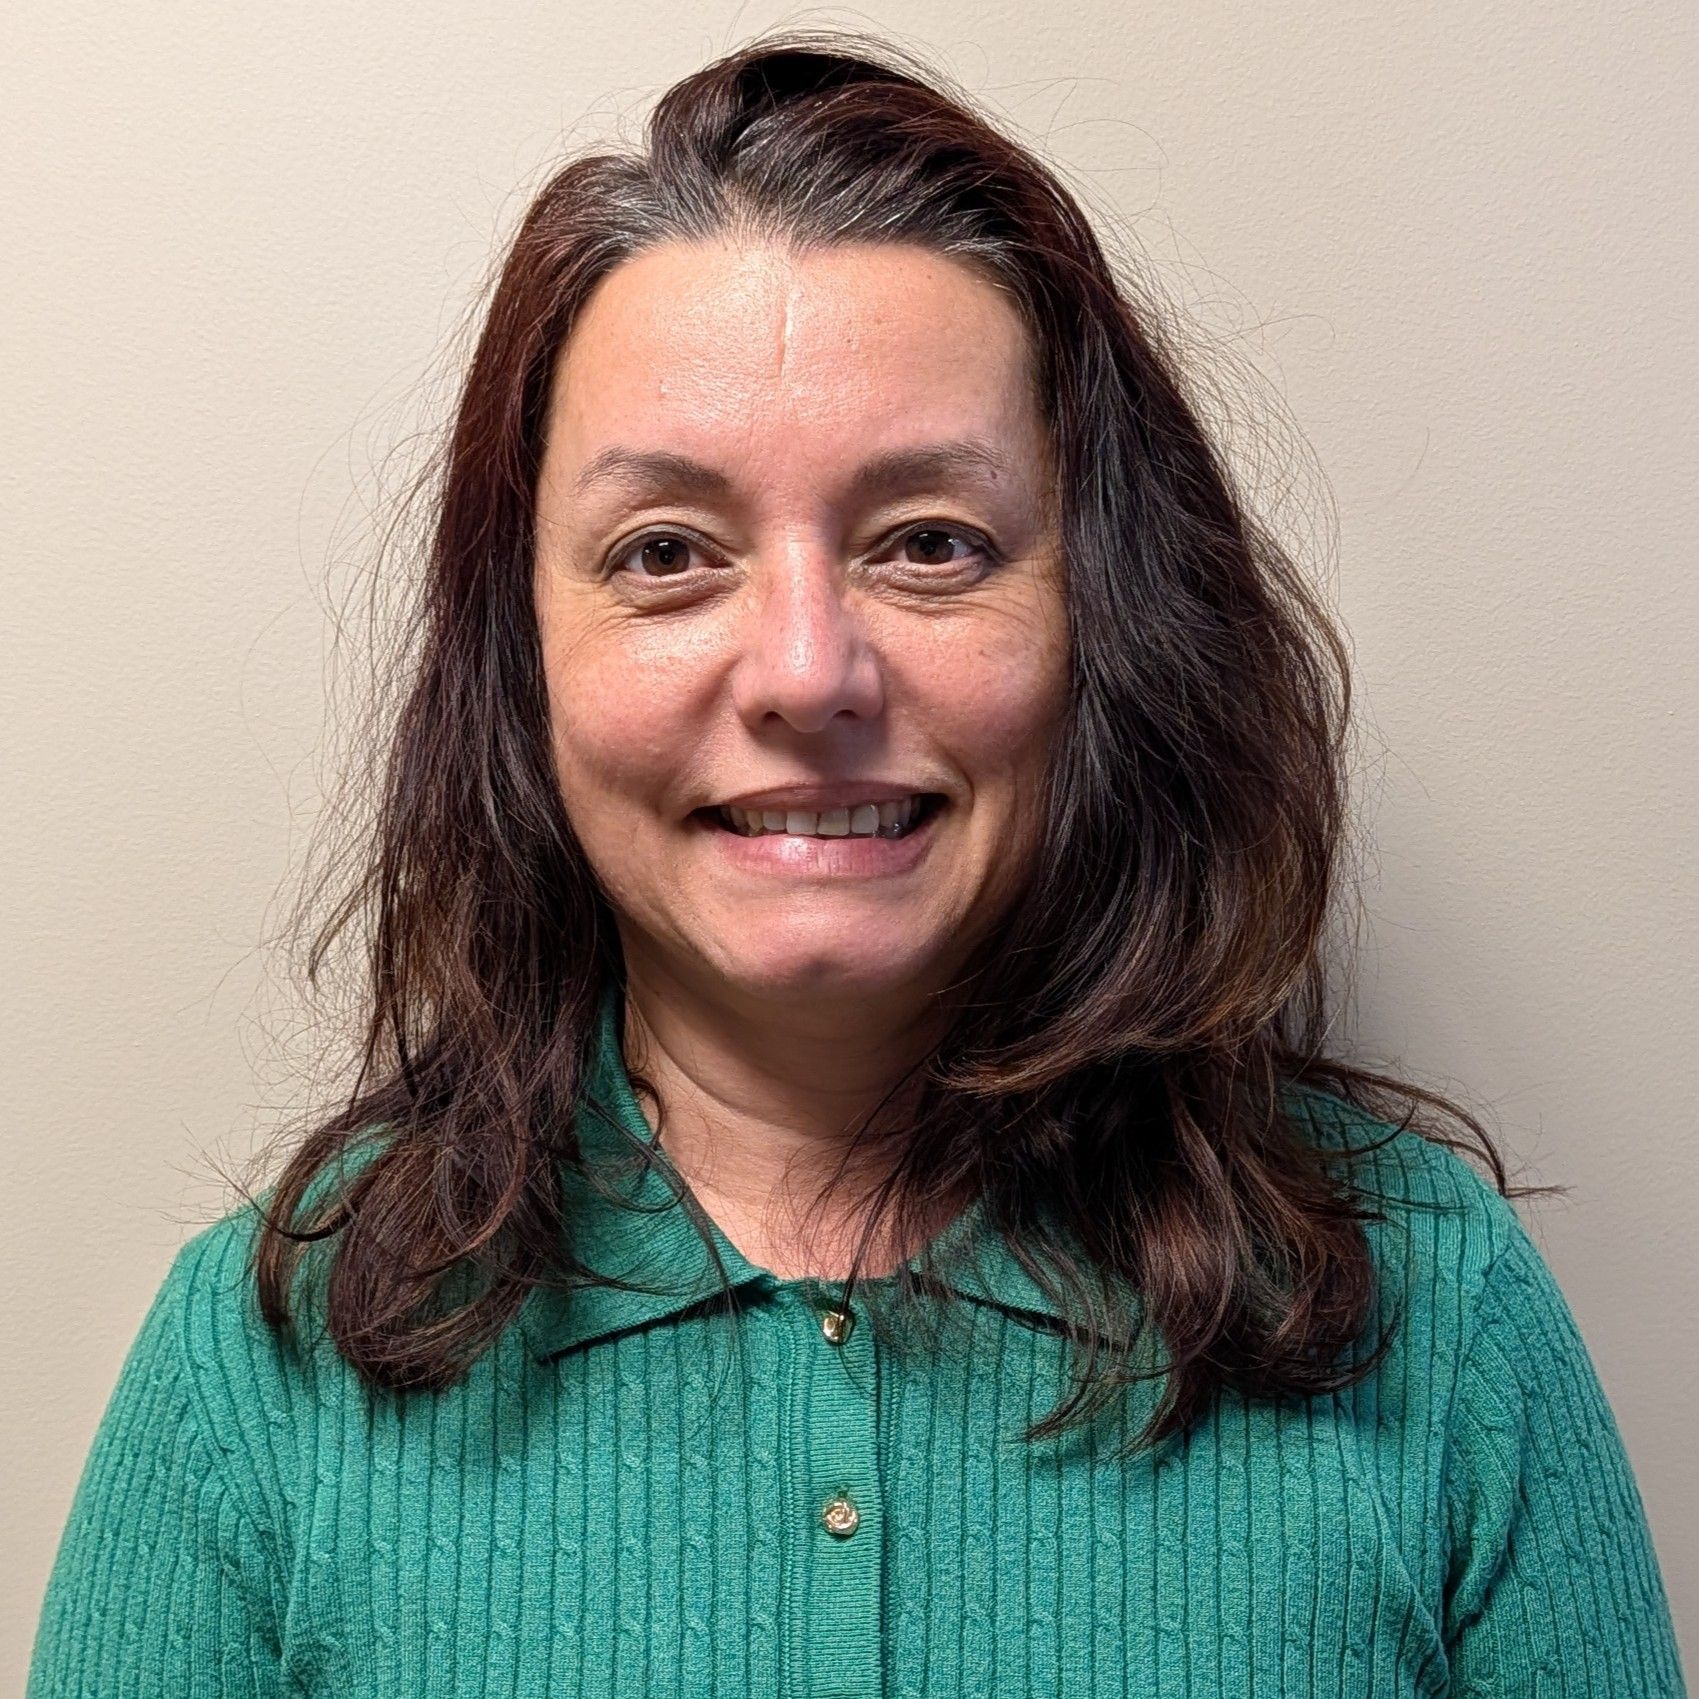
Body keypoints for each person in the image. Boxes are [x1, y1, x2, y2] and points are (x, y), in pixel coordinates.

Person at [25, 28, 1686, 1699]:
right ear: (518, 661)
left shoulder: (1436, 1318)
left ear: (1102, 621)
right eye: (668, 554)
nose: (809, 671)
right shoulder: (260, 1377)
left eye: (930, 544)